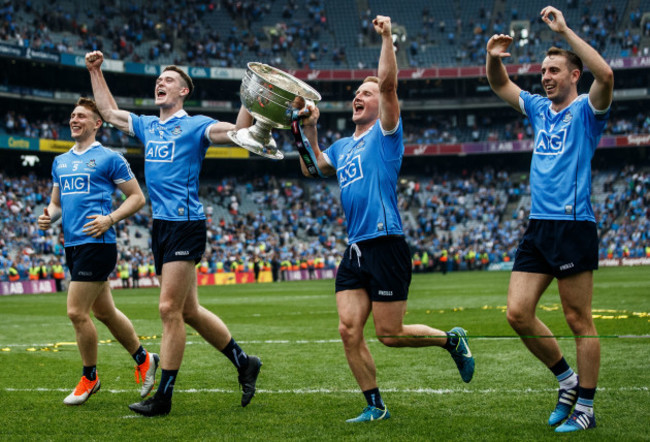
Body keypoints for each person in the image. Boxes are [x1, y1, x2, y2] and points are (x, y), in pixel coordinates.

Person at [296, 15, 475, 423]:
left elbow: (390, 84)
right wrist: (308, 129)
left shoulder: (387, 133)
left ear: (381, 103)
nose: (358, 97)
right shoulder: (341, 146)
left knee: (390, 334)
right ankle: (375, 406)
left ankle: (451, 340)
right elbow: (313, 166)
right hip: (356, 249)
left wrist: (388, 37)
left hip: (387, 243)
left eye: (366, 92)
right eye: (356, 93)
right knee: (347, 329)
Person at [85, 51, 262, 417]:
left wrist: (250, 100)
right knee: (190, 311)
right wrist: (95, 70)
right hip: (161, 226)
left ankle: (163, 397)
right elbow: (109, 113)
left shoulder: (196, 125)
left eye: (168, 80)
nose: (160, 83)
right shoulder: (149, 125)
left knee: (169, 309)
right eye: (158, 79)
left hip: (186, 224)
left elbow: (239, 134)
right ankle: (245, 362)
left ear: (183, 91)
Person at [486, 6, 613, 433]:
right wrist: (493, 57)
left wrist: (565, 32)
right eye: (543, 70)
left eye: (554, 70)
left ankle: (587, 410)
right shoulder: (540, 109)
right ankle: (567, 382)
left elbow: (607, 76)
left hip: (573, 225)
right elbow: (501, 84)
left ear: (574, 75)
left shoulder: (587, 112)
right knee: (517, 313)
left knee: (579, 319)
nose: (545, 76)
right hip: (538, 226)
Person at [37, 97, 159, 406]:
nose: (74, 119)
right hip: (73, 246)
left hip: (98, 243)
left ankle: (90, 378)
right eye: (72, 115)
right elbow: (57, 204)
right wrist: (48, 216)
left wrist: (110, 218)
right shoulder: (60, 162)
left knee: (77, 312)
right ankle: (145, 359)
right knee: (103, 312)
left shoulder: (110, 158)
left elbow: (137, 198)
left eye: (81, 115)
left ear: (97, 123)